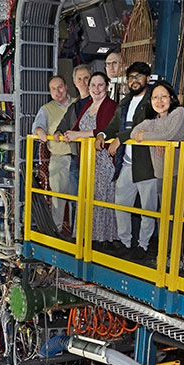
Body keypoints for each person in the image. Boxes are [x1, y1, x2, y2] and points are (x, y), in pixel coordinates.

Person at [101, 62, 155, 258]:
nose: (134, 81)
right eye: (131, 77)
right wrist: (101, 135)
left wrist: (119, 139)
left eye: (139, 77)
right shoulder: (125, 103)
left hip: (147, 164)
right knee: (121, 204)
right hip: (127, 162)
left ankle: (143, 246)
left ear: (148, 79)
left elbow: (144, 127)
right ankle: (125, 242)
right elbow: (114, 125)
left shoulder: (152, 101)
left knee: (148, 208)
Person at [61, 71, 119, 244]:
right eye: (93, 85)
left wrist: (77, 133)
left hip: (103, 161)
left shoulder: (110, 106)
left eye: (100, 85)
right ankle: (87, 236)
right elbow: (78, 126)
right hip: (86, 161)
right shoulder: (87, 105)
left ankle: (103, 239)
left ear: (107, 87)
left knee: (102, 199)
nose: (96, 89)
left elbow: (102, 129)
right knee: (87, 198)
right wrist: (70, 133)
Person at [131, 81, 184, 235]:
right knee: (163, 214)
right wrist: (157, 139)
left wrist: (149, 137)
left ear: (171, 98)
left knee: (173, 215)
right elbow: (133, 133)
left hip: (179, 172)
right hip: (161, 173)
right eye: (155, 97)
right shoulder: (153, 120)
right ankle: (163, 252)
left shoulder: (179, 112)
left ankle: (171, 255)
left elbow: (170, 135)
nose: (159, 101)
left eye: (163, 96)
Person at [33, 75, 75, 229]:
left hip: (81, 158)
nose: (57, 92)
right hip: (59, 159)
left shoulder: (78, 103)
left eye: (60, 87)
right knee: (58, 198)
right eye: (53, 89)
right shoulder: (46, 109)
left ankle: (77, 234)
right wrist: (39, 131)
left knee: (78, 199)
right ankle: (57, 231)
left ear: (66, 86)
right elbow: (37, 126)